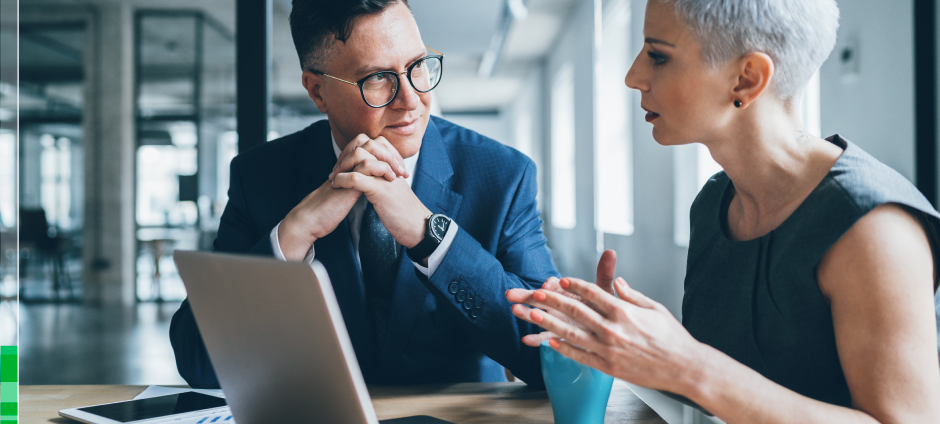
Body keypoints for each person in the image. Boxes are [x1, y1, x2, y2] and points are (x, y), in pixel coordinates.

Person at [507, 0, 940, 422]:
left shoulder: (874, 229)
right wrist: (617, 340)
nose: (633, 75)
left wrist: (686, 364)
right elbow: (721, 399)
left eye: (658, 56)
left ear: (746, 79)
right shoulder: (715, 203)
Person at [171, 0, 558, 389]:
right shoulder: (259, 178)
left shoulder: (503, 176)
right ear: (317, 91)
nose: (411, 99)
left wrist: (432, 238)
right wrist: (294, 234)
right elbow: (198, 361)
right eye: (377, 78)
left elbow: (551, 357)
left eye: (417, 66)